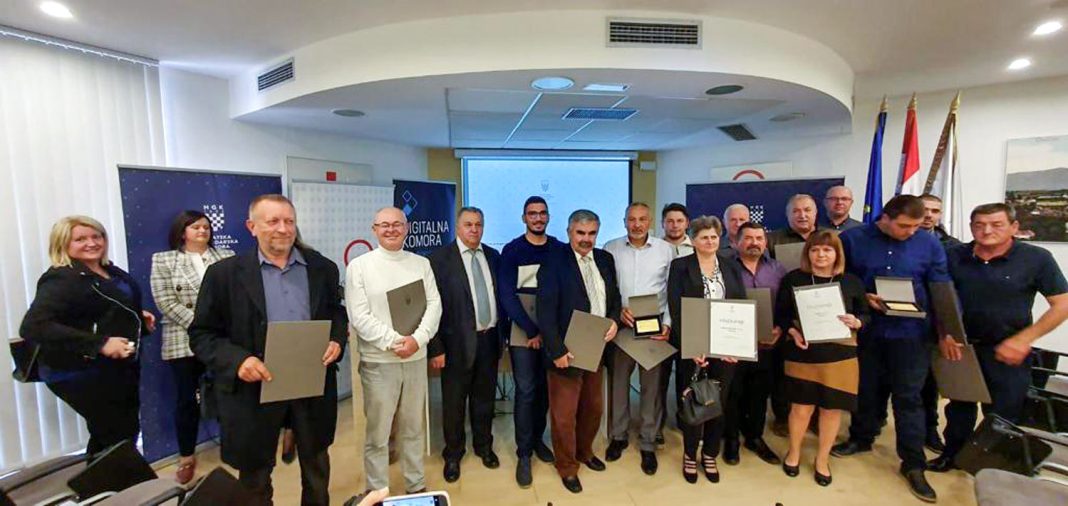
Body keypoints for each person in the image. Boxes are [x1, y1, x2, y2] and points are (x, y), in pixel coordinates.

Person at [189, 195, 346, 506]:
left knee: (316, 467)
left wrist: (336, 340)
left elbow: (336, 313)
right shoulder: (224, 275)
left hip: (311, 384)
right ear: (252, 226)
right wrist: (238, 360)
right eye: (273, 221)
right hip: (253, 390)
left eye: (289, 221)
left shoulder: (322, 269)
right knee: (255, 478)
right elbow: (202, 334)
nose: (283, 229)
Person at [928, 203, 1068, 473]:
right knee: (959, 408)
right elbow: (939, 299)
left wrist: (1023, 340)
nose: (987, 231)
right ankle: (952, 456)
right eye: (979, 225)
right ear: (971, 227)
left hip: (1007, 351)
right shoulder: (953, 255)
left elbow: (1062, 304)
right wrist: (944, 333)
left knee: (1003, 416)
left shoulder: (1036, 258)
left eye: (996, 224)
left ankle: (993, 471)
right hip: (962, 348)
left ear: (1014, 227)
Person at [830, 195, 949, 503]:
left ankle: (913, 463)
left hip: (912, 334)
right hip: (868, 330)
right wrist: (863, 295)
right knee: (866, 389)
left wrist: (948, 331)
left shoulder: (928, 243)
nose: (912, 231)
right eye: (905, 226)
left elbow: (941, 287)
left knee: (909, 398)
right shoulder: (853, 239)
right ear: (885, 218)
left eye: (915, 226)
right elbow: (841, 278)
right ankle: (861, 438)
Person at [20, 215, 156, 456]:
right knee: (117, 434)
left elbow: (101, 308)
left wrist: (136, 317)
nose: (92, 243)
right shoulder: (62, 278)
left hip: (118, 368)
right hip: (82, 371)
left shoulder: (109, 270)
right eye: (80, 239)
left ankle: (103, 479)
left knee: (113, 435)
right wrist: (100, 343)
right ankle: (119, 479)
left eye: (96, 236)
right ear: (63, 244)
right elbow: (34, 326)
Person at [346, 206, 442, 495]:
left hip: (416, 357)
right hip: (379, 362)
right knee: (378, 433)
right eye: (384, 225)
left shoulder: (421, 264)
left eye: (397, 224)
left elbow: (434, 305)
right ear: (374, 229)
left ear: (406, 228)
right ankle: (377, 491)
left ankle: (415, 484)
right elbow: (359, 316)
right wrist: (395, 341)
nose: (391, 229)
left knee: (413, 428)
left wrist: (418, 340)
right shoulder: (359, 266)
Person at [775, 230, 870, 487]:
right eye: (815, 250)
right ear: (807, 253)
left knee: (831, 409)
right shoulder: (793, 279)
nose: (821, 255)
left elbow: (866, 314)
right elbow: (781, 314)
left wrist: (858, 321)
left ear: (837, 254)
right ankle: (794, 452)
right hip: (803, 351)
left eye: (827, 250)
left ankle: (822, 459)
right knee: (801, 408)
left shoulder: (851, 281)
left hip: (840, 355)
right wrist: (792, 331)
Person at [537, 209, 621, 494]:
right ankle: (567, 466)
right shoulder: (553, 261)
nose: (586, 239)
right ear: (569, 232)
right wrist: (556, 350)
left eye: (592, 233)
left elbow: (614, 298)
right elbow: (545, 311)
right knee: (564, 415)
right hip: (566, 351)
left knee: (593, 408)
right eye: (580, 233)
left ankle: (585, 452)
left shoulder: (605, 259)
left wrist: (614, 320)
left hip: (597, 347)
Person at [150, 210, 234, 484]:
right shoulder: (164, 260)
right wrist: (201, 325)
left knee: (229, 393)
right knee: (186, 400)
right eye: (195, 227)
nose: (202, 231)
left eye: (206, 227)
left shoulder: (226, 257)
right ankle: (186, 456)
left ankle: (232, 444)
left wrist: (217, 328)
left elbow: (235, 295)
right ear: (182, 231)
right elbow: (165, 302)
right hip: (182, 337)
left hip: (222, 337)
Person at [666, 216, 745, 484]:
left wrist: (736, 344)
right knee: (693, 400)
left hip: (725, 345)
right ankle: (690, 453)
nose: (709, 241)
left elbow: (740, 304)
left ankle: (710, 453)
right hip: (694, 344)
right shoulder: (680, 266)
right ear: (693, 240)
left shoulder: (731, 266)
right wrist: (692, 344)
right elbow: (676, 308)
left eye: (713, 237)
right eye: (703, 237)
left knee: (718, 401)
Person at [428, 207, 504, 483]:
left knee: (484, 400)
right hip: (454, 345)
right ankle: (453, 454)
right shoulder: (438, 260)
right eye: (468, 224)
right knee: (454, 403)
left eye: (478, 224)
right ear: (457, 227)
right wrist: (435, 347)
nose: (474, 229)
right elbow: (430, 307)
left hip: (489, 340)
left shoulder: (493, 256)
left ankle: (484, 446)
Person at [603, 202, 674, 475]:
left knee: (651, 387)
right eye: (631, 219)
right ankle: (618, 436)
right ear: (624, 221)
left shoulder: (665, 250)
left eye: (642, 219)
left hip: (653, 326)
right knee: (618, 383)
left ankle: (647, 441)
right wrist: (616, 311)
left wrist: (667, 324)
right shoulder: (611, 248)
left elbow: (671, 290)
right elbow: (606, 288)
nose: (637, 224)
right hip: (622, 324)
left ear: (650, 221)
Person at [497, 196, 559, 487]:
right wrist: (531, 330)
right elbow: (507, 295)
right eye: (532, 214)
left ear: (548, 216)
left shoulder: (558, 249)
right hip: (523, 330)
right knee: (526, 390)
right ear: (524, 218)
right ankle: (523, 454)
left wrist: (547, 331)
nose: (538, 218)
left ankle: (537, 440)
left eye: (542, 213)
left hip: (552, 331)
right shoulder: (512, 250)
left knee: (545, 390)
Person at [723, 222, 786, 466]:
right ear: (736, 242)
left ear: (766, 242)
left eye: (759, 238)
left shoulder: (777, 269)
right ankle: (731, 439)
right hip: (734, 343)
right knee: (733, 393)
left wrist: (780, 327)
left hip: (767, 343)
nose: (754, 243)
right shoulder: (725, 267)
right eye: (748, 238)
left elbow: (785, 303)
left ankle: (754, 437)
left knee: (759, 394)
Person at [766, 193, 821, 434]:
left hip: (819, 311)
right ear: (788, 215)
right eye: (796, 211)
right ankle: (782, 416)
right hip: (784, 308)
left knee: (816, 369)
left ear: (816, 213)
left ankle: (815, 417)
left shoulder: (827, 237)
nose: (802, 215)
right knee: (782, 369)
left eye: (807, 210)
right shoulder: (772, 239)